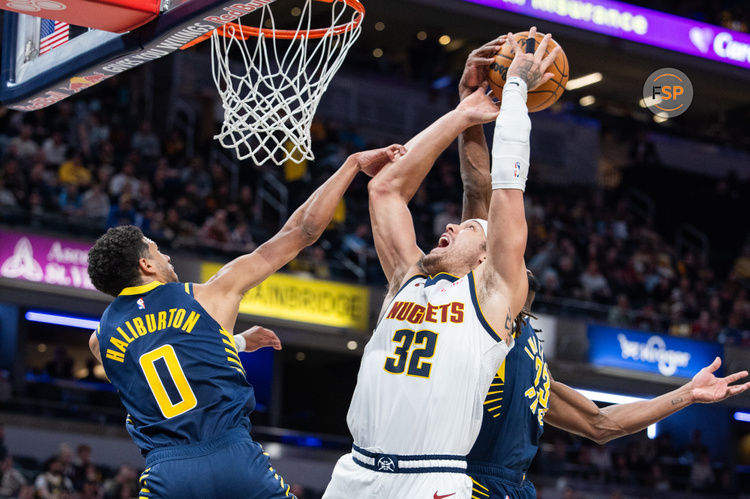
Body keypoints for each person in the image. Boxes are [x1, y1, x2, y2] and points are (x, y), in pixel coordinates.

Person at [455, 32, 750, 499]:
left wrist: (688, 395)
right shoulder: (477, 315)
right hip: (456, 484)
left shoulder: (526, 351)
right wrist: (468, 110)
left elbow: (601, 422)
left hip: (513, 489)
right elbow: (478, 190)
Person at [86, 144, 405, 498]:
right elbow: (302, 231)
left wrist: (234, 342)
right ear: (146, 265)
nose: (166, 254)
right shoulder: (210, 295)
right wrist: (352, 165)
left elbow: (159, 359)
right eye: (157, 250)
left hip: (167, 473)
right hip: (231, 457)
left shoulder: (100, 340)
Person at [323, 30, 560, 499]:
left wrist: (514, 89)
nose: (448, 227)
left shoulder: (492, 299)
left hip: (432, 479)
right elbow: (385, 190)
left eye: (466, 228)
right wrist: (462, 111)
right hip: (355, 473)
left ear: (488, 255)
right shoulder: (406, 279)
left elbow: (507, 184)